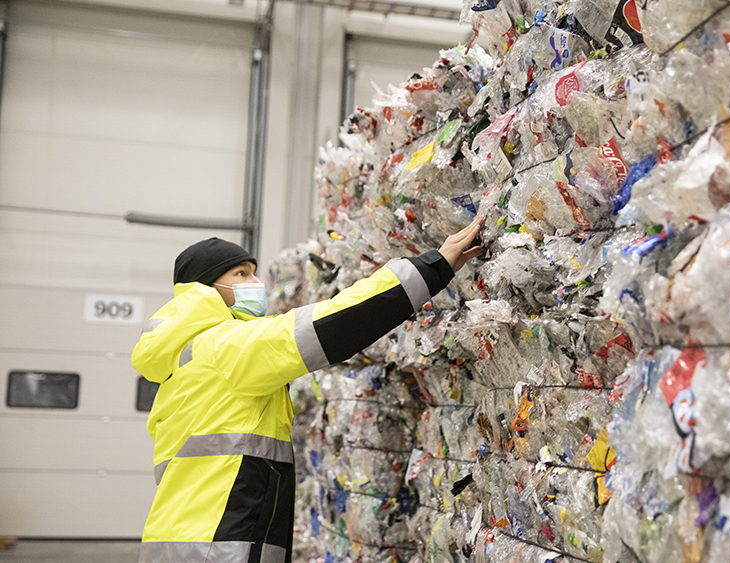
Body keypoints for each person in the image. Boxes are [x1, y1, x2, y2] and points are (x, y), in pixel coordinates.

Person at [132, 217, 484, 563]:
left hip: (178, 541)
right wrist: (432, 267)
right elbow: (334, 322)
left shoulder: (183, 360)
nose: (256, 282)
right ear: (204, 287)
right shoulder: (224, 348)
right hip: (218, 547)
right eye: (241, 274)